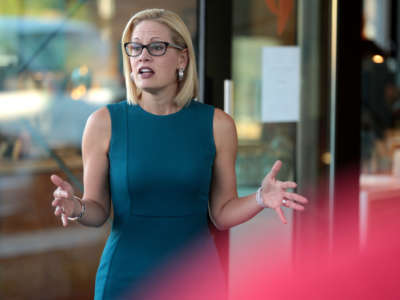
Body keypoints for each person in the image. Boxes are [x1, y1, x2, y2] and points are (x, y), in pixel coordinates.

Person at [50, 8, 308, 300]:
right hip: (126, 278)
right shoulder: (103, 123)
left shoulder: (218, 125)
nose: (143, 56)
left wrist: (260, 198)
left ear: (182, 58)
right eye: (135, 47)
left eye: (156, 47)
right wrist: (76, 207)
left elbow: (222, 213)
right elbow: (97, 209)